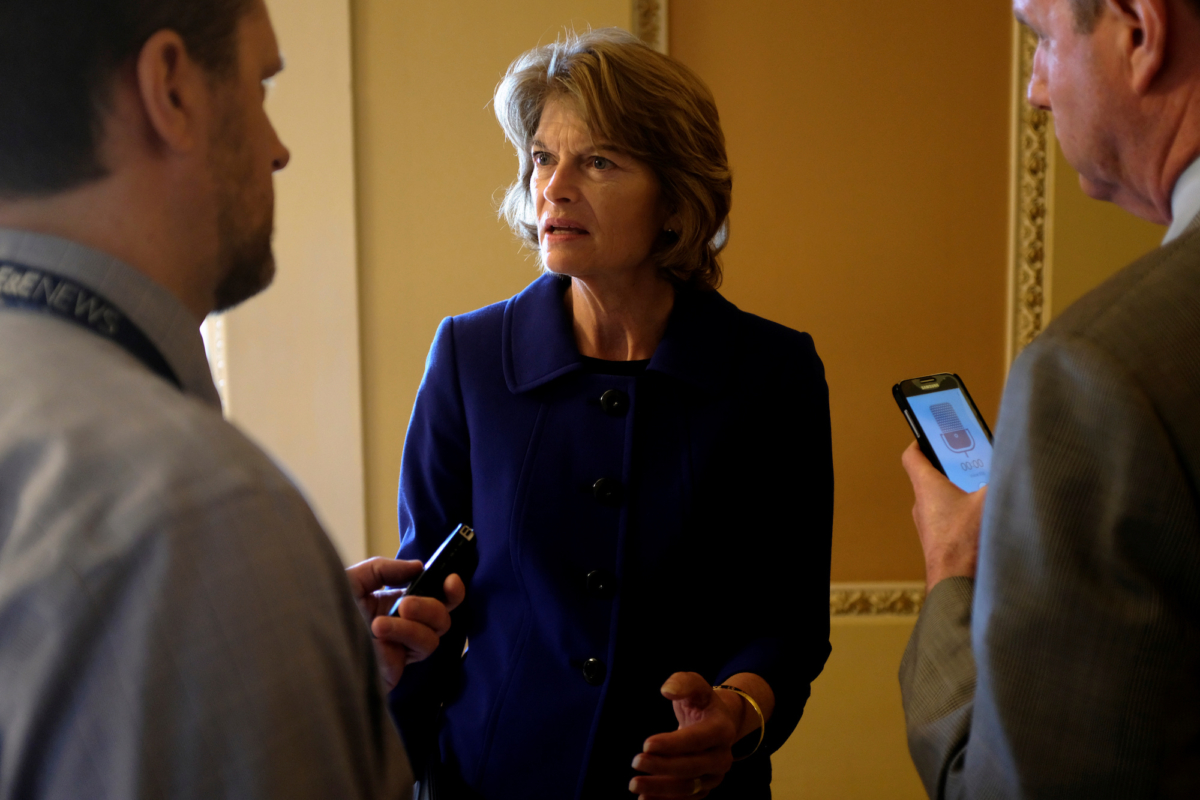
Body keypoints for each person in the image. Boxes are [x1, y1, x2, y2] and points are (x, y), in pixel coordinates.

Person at [0, 1, 461, 797]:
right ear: (172, 89)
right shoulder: (199, 514)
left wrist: (306, 660)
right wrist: (254, 597)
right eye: (263, 85)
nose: (279, 151)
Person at [390, 28, 833, 800]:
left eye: (596, 161)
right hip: (485, 781)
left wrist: (736, 713)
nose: (552, 187)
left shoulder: (773, 372)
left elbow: (785, 623)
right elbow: (426, 600)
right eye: (541, 156)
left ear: (676, 198)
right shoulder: (468, 356)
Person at [898, 0, 1200, 796]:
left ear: (1140, 30)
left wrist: (954, 574)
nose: (1035, 90)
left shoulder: (1097, 372)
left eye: (1041, 41)